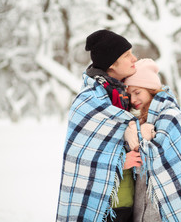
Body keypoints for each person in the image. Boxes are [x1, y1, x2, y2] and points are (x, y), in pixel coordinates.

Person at [56, 29, 142, 222]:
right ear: (112, 63)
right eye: (127, 55)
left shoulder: (125, 93)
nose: (134, 58)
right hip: (103, 207)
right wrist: (121, 162)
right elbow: (85, 157)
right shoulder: (90, 100)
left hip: (129, 201)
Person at [124, 58, 181, 222]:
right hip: (142, 204)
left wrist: (137, 136)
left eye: (137, 92)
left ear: (151, 89)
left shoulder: (172, 115)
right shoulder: (138, 121)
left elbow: (157, 157)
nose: (133, 99)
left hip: (167, 203)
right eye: (129, 94)